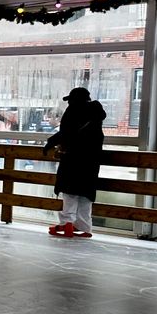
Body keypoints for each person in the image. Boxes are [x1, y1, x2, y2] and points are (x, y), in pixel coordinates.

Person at [44, 87, 107, 238]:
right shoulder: (96, 115)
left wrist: (50, 143)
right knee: (86, 193)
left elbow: (65, 133)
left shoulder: (73, 111)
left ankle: (67, 224)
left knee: (70, 191)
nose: (69, 103)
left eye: (70, 99)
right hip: (91, 160)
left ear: (75, 99)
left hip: (73, 159)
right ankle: (84, 227)